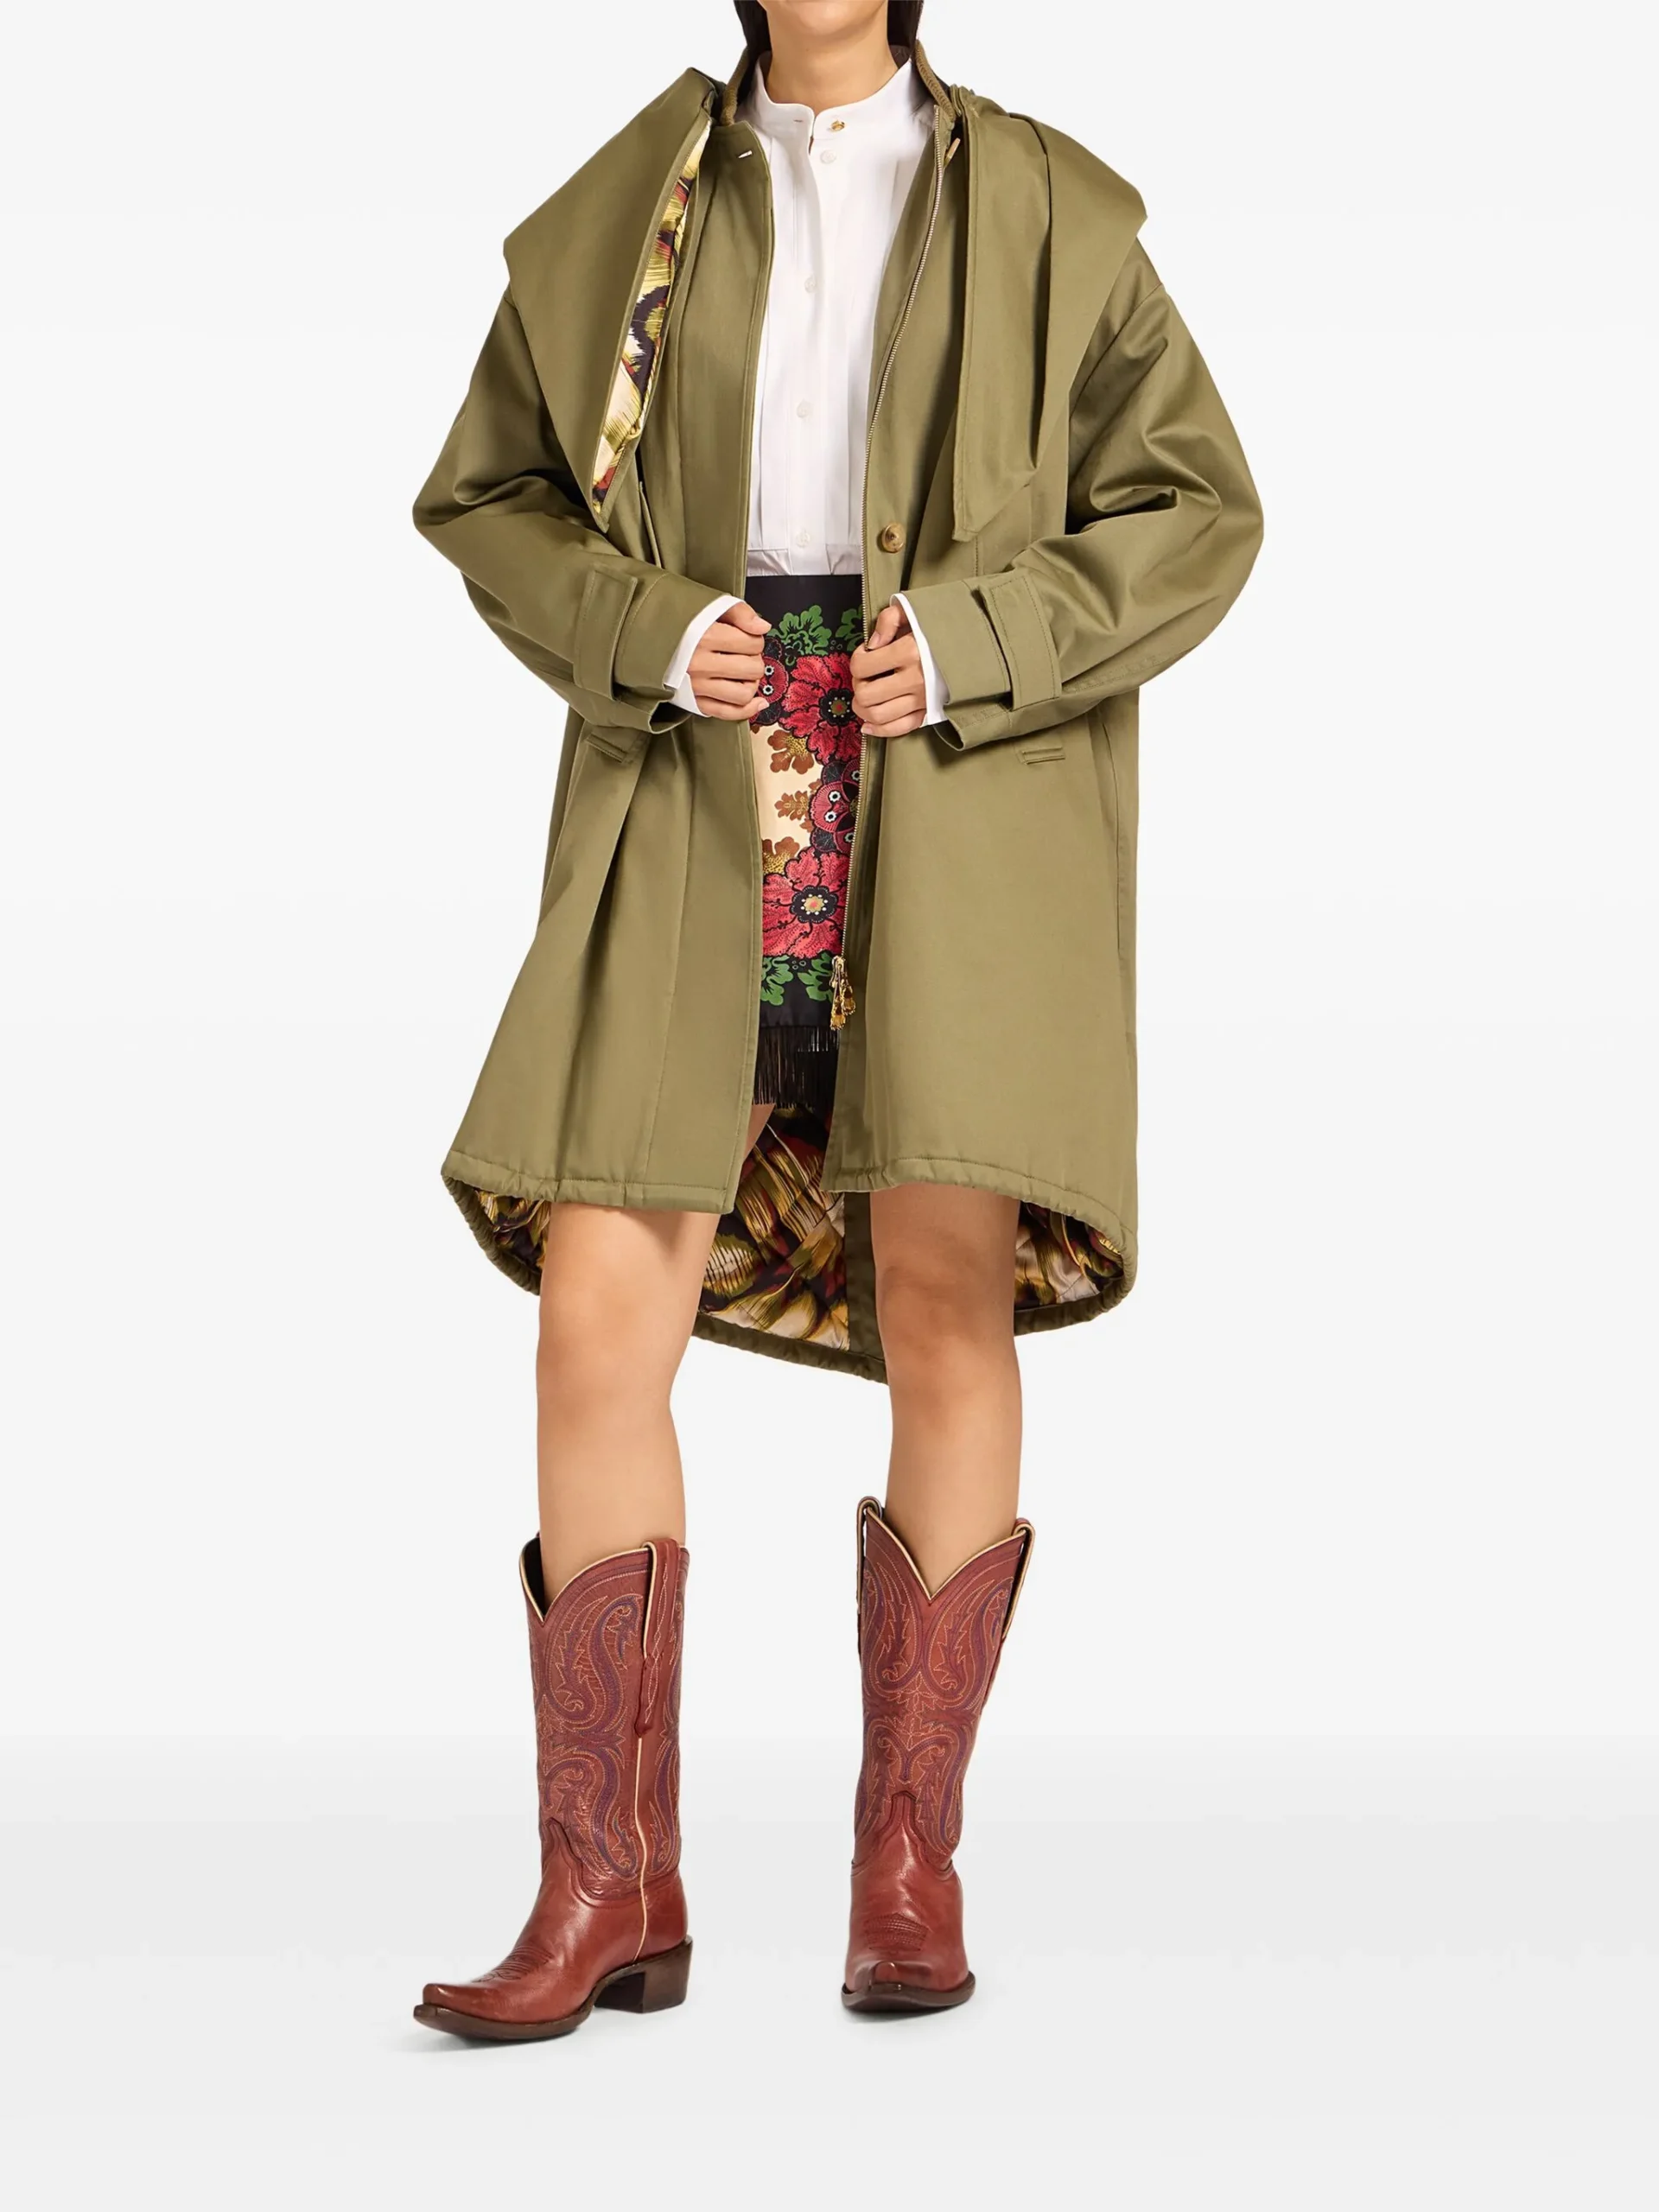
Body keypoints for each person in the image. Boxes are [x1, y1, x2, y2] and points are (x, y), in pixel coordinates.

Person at [409, 0, 1262, 2039]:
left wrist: (975, 640)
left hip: (955, 790)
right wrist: (648, 625)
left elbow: (1198, 506)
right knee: (597, 1298)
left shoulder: (1049, 207)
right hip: (691, 789)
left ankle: (907, 1864)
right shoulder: (629, 206)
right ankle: (608, 1882)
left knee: (946, 1296)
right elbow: (490, 495)